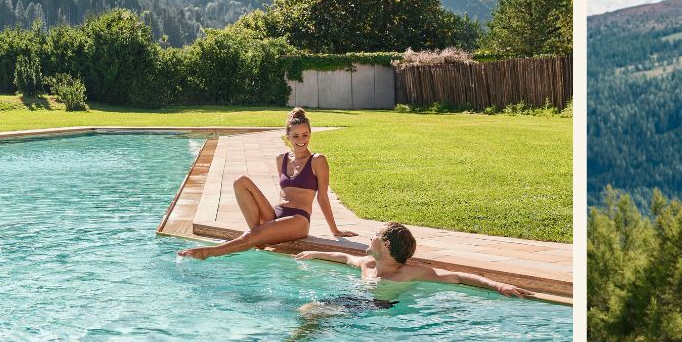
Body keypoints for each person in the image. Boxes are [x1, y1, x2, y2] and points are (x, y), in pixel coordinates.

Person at [178, 107, 352, 260]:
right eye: (296, 135)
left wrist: (335, 230)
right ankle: (257, 238)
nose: (301, 139)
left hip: (298, 220)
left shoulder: (317, 160)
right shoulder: (281, 159)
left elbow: (322, 197)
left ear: (310, 134)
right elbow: (284, 194)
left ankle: (208, 252)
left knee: (252, 235)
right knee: (240, 182)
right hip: (276, 213)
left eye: (305, 135)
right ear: (288, 137)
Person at [294, 221, 532, 310]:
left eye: (375, 235)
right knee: (308, 310)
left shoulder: (409, 272)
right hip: (356, 302)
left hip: (379, 307)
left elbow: (458, 276)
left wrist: (498, 285)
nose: (370, 237)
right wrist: (315, 253)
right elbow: (344, 257)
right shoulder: (368, 264)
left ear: (386, 244)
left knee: (312, 312)